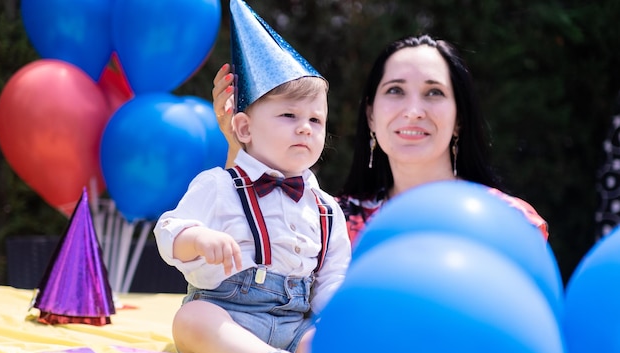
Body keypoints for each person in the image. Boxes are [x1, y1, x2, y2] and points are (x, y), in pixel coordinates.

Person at [154, 0, 351, 353]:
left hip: (294, 325)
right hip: (229, 317)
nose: (306, 128)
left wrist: (340, 311)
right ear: (243, 129)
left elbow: (332, 277)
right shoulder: (219, 184)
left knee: (334, 334)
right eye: (289, 116)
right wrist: (198, 238)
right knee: (191, 319)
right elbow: (168, 231)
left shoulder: (326, 208)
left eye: (315, 119)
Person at [213, 34, 549, 243]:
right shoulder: (327, 220)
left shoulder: (510, 223)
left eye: (433, 92)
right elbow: (243, 269)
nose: (414, 110)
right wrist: (238, 145)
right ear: (372, 116)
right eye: (396, 91)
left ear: (459, 118)